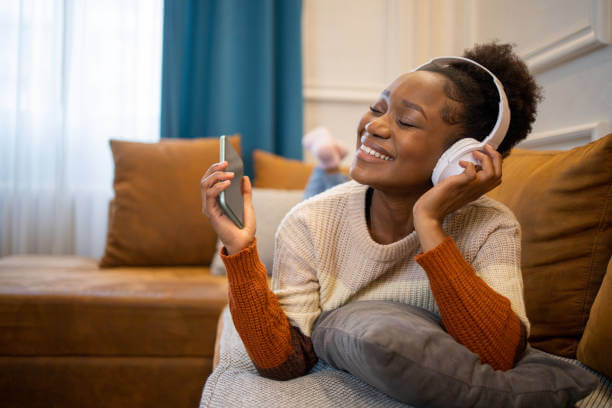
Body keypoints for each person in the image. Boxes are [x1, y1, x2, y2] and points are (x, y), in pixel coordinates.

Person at [200, 42, 542, 380]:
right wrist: (240, 251)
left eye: (406, 121)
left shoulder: (492, 226)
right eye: (378, 109)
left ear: (461, 158)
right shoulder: (309, 222)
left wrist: (428, 222)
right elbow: (283, 363)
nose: (374, 126)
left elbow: (500, 356)